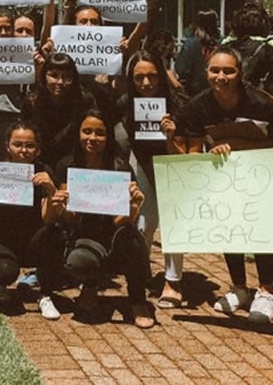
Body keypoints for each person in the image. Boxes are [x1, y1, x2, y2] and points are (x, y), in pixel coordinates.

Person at [175, 46, 273, 323]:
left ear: (240, 74)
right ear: (206, 72)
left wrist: (238, 145)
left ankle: (266, 291)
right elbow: (191, 148)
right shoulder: (198, 105)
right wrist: (208, 151)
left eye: (228, 71)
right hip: (221, 176)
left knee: (260, 230)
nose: (221, 76)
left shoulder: (262, 104)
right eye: (215, 70)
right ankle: (239, 288)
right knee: (230, 229)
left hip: (260, 175)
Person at [52, 109, 153, 328]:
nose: (92, 138)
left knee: (133, 239)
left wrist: (133, 207)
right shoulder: (66, 166)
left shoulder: (121, 168)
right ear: (78, 133)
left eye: (100, 133)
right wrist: (61, 207)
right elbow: (71, 221)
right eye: (87, 131)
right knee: (80, 260)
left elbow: (122, 222)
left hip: (114, 235)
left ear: (108, 137)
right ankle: (90, 285)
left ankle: (137, 300)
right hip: (83, 239)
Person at [0, 121, 65, 320]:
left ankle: (45, 294)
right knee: (4, 271)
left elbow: (47, 219)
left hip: (31, 239)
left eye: (30, 145)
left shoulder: (43, 172)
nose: (23, 150)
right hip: (0, 240)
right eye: (17, 144)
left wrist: (52, 191)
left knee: (55, 235)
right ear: (7, 146)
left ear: (38, 148)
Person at [120, 51, 187, 308]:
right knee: (144, 225)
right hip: (144, 168)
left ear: (162, 76)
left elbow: (184, 154)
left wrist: (170, 136)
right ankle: (141, 273)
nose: (146, 84)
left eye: (152, 77)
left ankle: (173, 280)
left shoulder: (178, 105)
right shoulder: (125, 103)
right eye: (139, 78)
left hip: (173, 167)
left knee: (172, 225)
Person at [22, 52, 96, 171]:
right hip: (41, 158)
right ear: (44, 76)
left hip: (74, 159)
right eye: (54, 75)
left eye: (67, 77)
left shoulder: (85, 100)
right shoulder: (32, 101)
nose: (60, 82)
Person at [175, 10, 220, 96]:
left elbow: (180, 68)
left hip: (194, 92)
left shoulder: (190, 43)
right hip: (217, 90)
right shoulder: (221, 43)